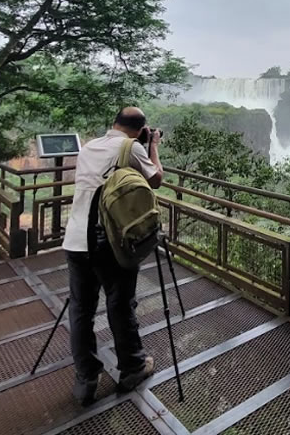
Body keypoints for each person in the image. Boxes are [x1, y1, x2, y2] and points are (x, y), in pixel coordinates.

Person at [62, 107, 164, 405]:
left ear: (114, 124)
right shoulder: (130, 147)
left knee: (81, 311)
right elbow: (156, 179)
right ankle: (132, 367)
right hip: (108, 243)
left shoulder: (89, 146)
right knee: (120, 304)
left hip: (75, 240)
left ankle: (86, 379)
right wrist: (153, 146)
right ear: (141, 130)